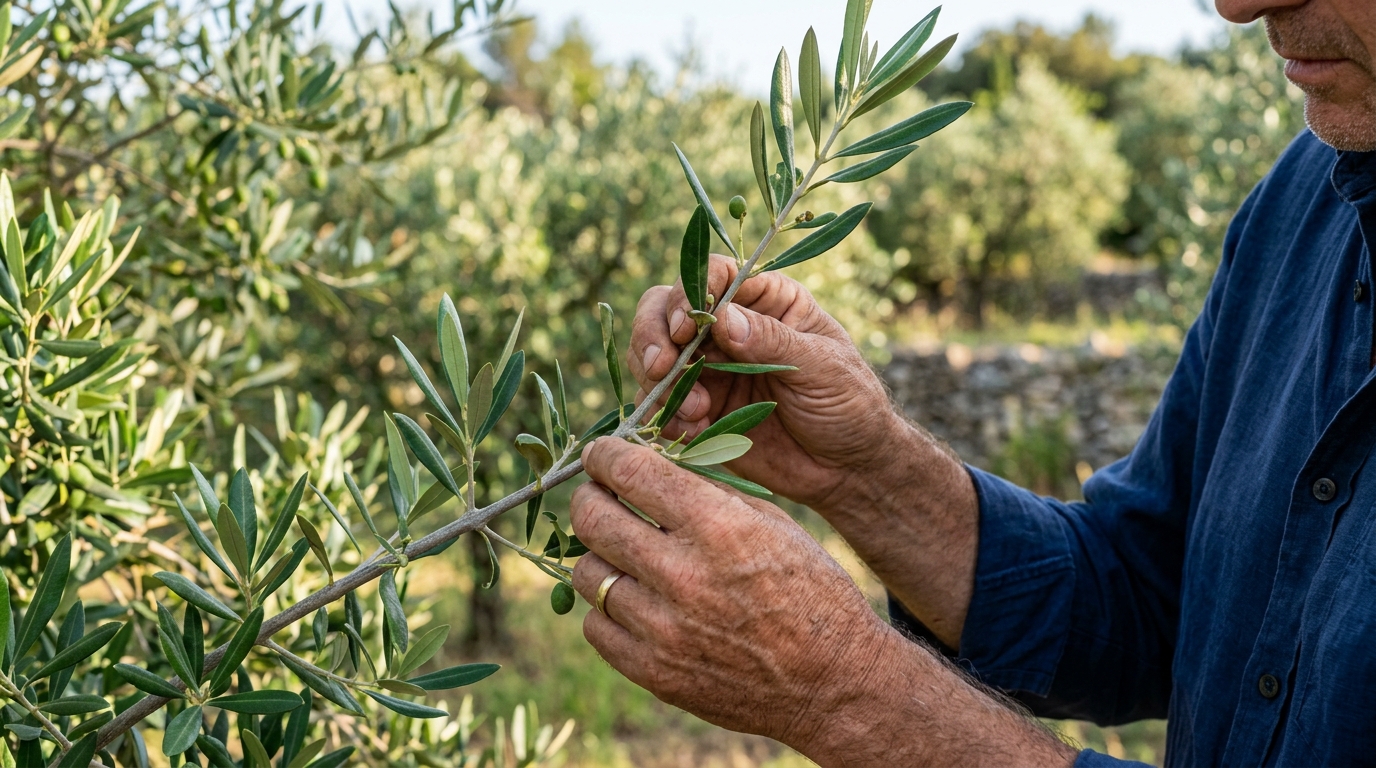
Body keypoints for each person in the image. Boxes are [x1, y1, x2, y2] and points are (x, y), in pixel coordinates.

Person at [566, 0, 1376, 764]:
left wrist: (847, 694)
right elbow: (1148, 596)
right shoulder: (1305, 199)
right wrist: (866, 473)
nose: (1236, 7)